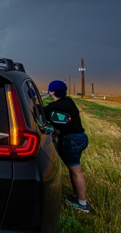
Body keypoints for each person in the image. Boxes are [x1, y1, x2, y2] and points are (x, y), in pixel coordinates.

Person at [44, 80, 90, 213]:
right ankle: (76, 195)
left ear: (51, 91)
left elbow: (40, 112)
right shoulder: (69, 101)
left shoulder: (55, 106)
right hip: (81, 137)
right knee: (73, 168)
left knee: (76, 171)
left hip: (71, 140)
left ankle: (82, 203)